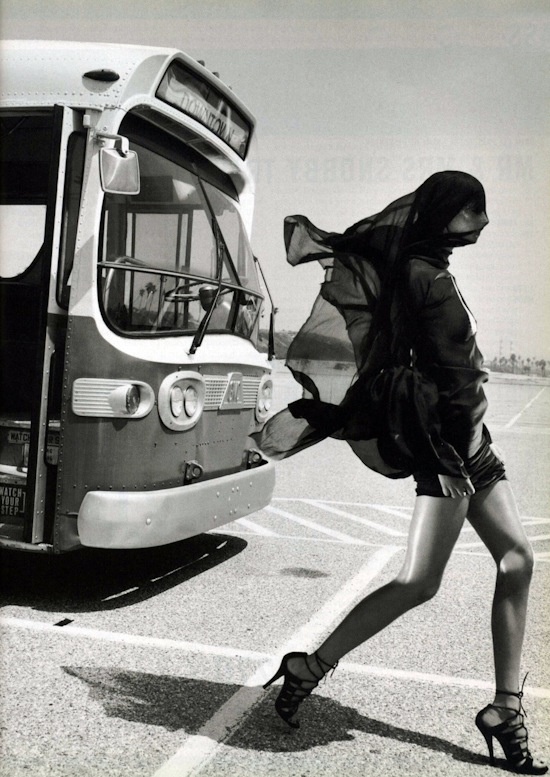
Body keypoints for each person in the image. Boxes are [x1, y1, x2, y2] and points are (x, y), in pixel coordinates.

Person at [258, 172, 546, 774]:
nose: (483, 224)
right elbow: (455, 375)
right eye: (473, 213)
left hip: (469, 445)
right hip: (447, 450)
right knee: (419, 582)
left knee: (518, 559)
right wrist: (453, 450)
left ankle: (504, 709)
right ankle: (309, 665)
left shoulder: (427, 270)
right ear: (445, 214)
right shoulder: (423, 276)